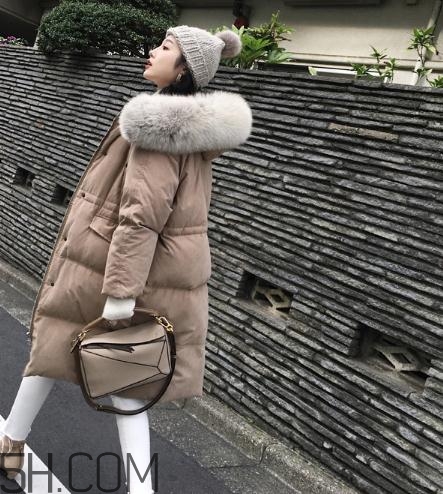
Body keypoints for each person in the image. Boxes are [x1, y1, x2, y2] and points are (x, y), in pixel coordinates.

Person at [0, 25, 253, 494]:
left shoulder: (159, 128)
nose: (152, 51)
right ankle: (10, 444)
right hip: (131, 269)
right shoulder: (188, 131)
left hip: (115, 271)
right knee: (59, 352)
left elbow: (141, 218)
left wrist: (120, 294)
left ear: (184, 71)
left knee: (120, 383)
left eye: (166, 47)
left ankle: (135, 487)